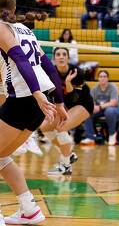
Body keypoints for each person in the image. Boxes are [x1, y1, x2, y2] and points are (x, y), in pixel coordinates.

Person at [0, 0, 66, 226]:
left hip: (26, 98)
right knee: (0, 155)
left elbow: (20, 59)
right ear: (15, 9)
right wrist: (59, 102)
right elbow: (49, 66)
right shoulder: (26, 30)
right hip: (37, 102)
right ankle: (29, 209)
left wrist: (37, 94)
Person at [40, 47, 92, 175]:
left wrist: (68, 82)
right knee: (45, 127)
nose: (61, 57)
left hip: (83, 104)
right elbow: (48, 95)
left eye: (64, 54)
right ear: (54, 58)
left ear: (68, 58)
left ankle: (65, 165)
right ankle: (69, 154)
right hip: (65, 105)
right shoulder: (50, 72)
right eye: (58, 55)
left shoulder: (77, 72)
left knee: (61, 127)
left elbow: (74, 98)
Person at [80, 70, 119, 146]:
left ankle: (112, 135)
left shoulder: (113, 88)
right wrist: (93, 108)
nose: (102, 78)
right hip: (100, 110)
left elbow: (113, 103)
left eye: (104, 76)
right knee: (87, 113)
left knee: (109, 110)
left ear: (108, 78)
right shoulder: (94, 89)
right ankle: (90, 138)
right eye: (101, 77)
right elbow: (92, 101)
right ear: (98, 78)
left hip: (115, 110)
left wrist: (99, 107)